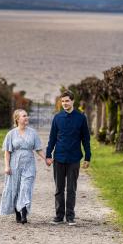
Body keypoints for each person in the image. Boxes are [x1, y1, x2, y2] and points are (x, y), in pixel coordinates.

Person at [46, 90, 91, 226]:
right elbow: (52, 138)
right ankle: (59, 216)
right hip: (59, 157)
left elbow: (86, 139)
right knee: (59, 188)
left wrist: (87, 157)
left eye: (67, 101)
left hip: (74, 158)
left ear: (72, 101)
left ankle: (70, 216)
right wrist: (48, 155)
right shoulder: (57, 118)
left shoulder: (81, 118)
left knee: (71, 188)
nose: (65, 103)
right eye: (63, 101)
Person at [0, 109, 45, 224]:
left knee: (26, 188)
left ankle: (24, 213)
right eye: (24, 116)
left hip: (29, 164)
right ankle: (18, 213)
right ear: (17, 119)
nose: (26, 118)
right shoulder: (11, 134)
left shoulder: (33, 133)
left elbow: (38, 149)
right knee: (15, 189)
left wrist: (46, 159)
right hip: (14, 164)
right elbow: (7, 152)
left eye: (27, 116)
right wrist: (6, 166)